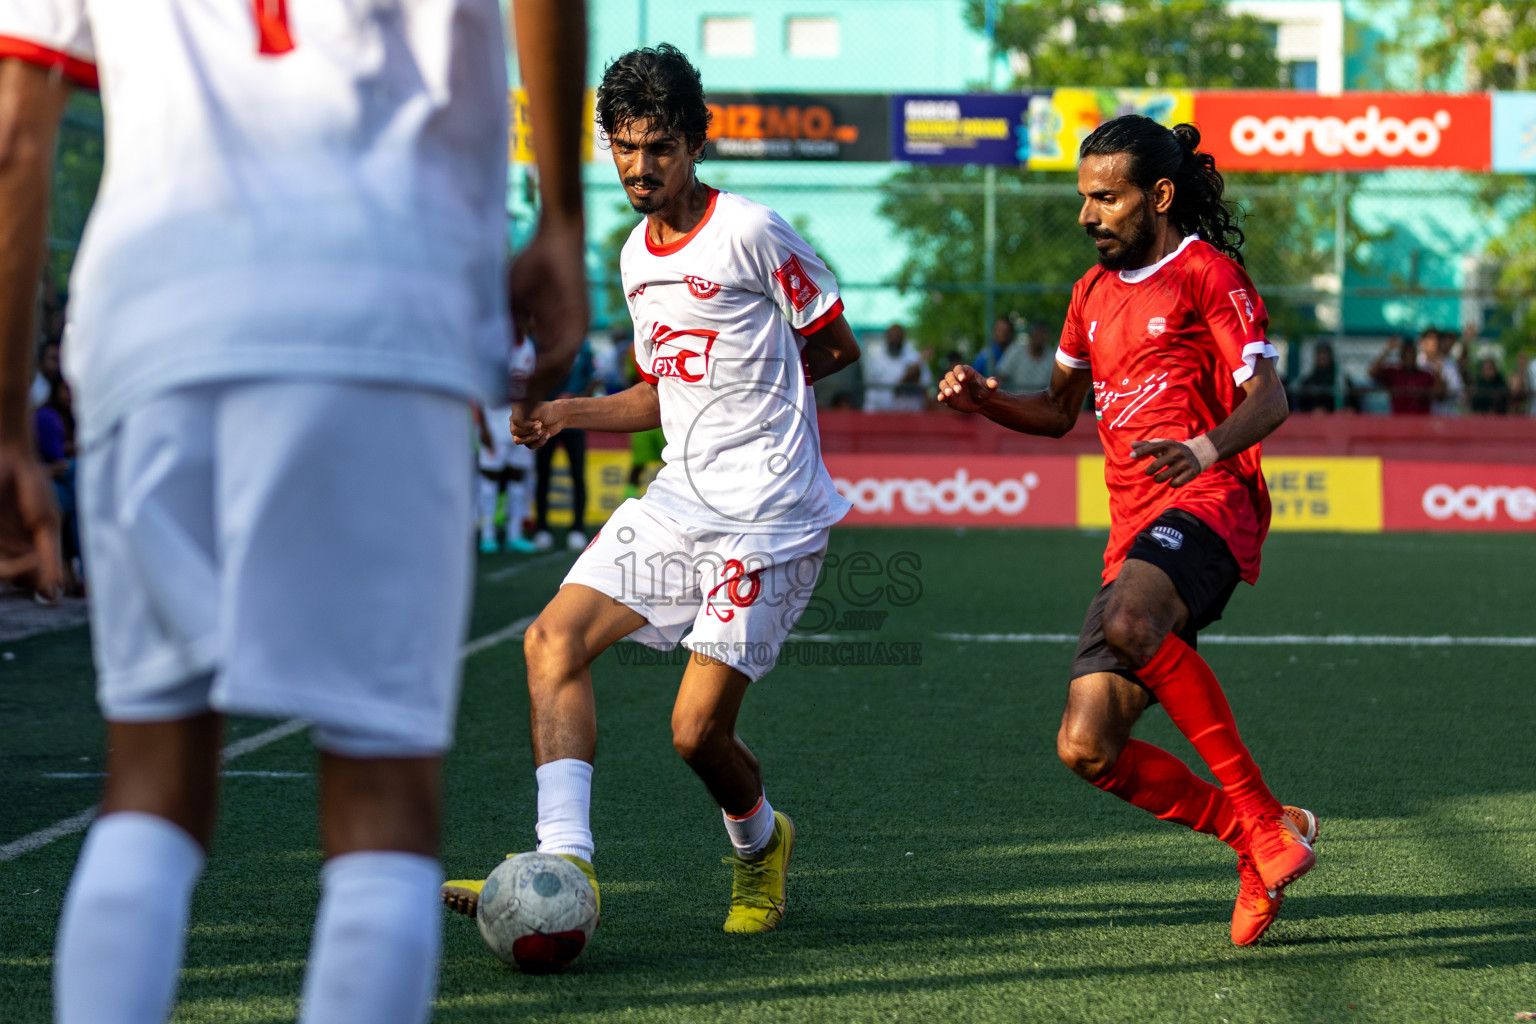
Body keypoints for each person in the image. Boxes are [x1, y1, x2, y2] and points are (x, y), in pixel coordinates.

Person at [0, 4, 589, 1024]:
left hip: (156, 317)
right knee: (383, 798)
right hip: (386, 304)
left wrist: (7, 414)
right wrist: (563, 218)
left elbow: (16, 134)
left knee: (150, 780)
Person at [441, 43, 860, 936]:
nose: (640, 165)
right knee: (550, 642)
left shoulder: (751, 231)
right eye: (625, 147)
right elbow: (658, 391)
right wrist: (565, 412)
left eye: (659, 146)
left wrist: (764, 408)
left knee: (694, 735)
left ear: (695, 143)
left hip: (771, 518)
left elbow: (833, 344)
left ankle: (760, 847)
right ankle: (562, 866)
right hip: (677, 503)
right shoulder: (634, 255)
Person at [938, 115, 1316, 947]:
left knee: (1130, 621)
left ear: (1160, 195)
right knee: (1087, 746)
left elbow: (1271, 399)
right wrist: (984, 400)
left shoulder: (1208, 275)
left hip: (1213, 503)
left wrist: (1203, 448)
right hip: (1136, 536)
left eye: (1107, 198)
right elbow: (1057, 411)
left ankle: (1259, 818)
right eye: (1084, 197)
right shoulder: (1089, 296)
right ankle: (1255, 837)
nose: (1088, 214)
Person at [476, 332, 539, 554]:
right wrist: (481, 425)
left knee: (518, 481)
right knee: (489, 483)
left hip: (520, 423)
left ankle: (514, 535)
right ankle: (487, 535)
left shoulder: (529, 347)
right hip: (494, 426)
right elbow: (477, 388)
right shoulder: (494, 345)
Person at [532, 336, 597, 550]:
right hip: (546, 420)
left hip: (575, 421)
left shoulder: (584, 346)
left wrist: (577, 400)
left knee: (577, 476)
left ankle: (577, 528)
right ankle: (542, 529)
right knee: (543, 476)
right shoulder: (540, 343)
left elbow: (593, 378)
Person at [861, 323, 929, 411]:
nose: (895, 340)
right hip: (882, 412)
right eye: (892, 337)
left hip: (909, 412)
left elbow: (926, 384)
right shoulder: (876, 360)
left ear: (903, 338)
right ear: (887, 338)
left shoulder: (914, 357)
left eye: (898, 337)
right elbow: (870, 389)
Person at [1370, 336, 1441, 414]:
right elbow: (1372, 373)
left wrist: (1438, 370)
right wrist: (1387, 351)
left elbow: (1439, 394)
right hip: (1399, 419)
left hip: (1421, 420)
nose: (1410, 357)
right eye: (1407, 354)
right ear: (1401, 356)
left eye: (1412, 354)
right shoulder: (1393, 373)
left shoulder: (1426, 375)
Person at [998, 319, 1056, 393]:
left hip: (1041, 402)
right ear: (1031, 334)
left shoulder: (1052, 357)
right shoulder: (1016, 352)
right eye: (1038, 333)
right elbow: (1001, 375)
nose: (1041, 337)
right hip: (1016, 400)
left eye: (1044, 333)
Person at [1419, 328, 1463, 415]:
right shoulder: (1417, 362)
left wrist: (1442, 388)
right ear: (1422, 342)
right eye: (1430, 339)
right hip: (1420, 415)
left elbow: (1456, 388)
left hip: (1444, 414)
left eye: (1436, 339)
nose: (1433, 343)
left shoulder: (1449, 364)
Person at [1292, 340, 1339, 413]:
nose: (1322, 356)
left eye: (1325, 353)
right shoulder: (1309, 381)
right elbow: (1302, 405)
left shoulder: (1339, 380)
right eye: (1320, 353)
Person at [972, 315, 1016, 382]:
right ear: (994, 331)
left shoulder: (1015, 352)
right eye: (1000, 330)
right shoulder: (986, 355)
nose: (1003, 333)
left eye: (1006, 330)